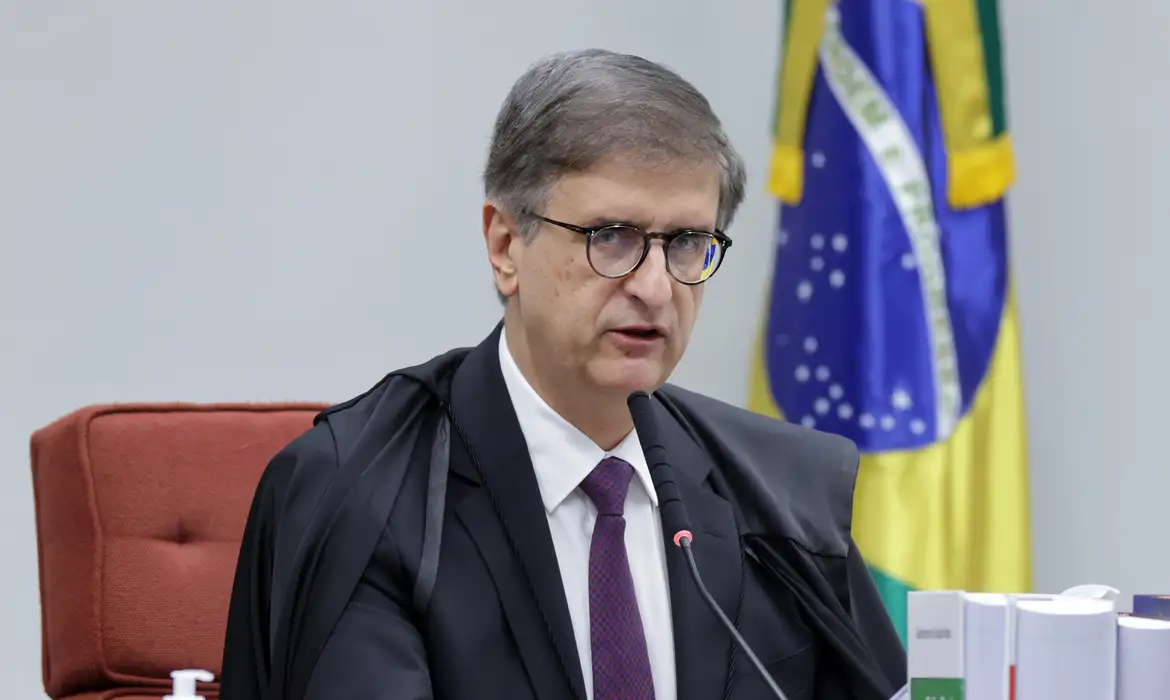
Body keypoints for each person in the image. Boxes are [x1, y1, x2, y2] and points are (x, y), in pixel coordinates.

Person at [220, 49, 906, 700]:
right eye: (612, 237)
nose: (656, 288)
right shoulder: (365, 494)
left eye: (687, 244)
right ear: (505, 246)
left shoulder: (782, 500)